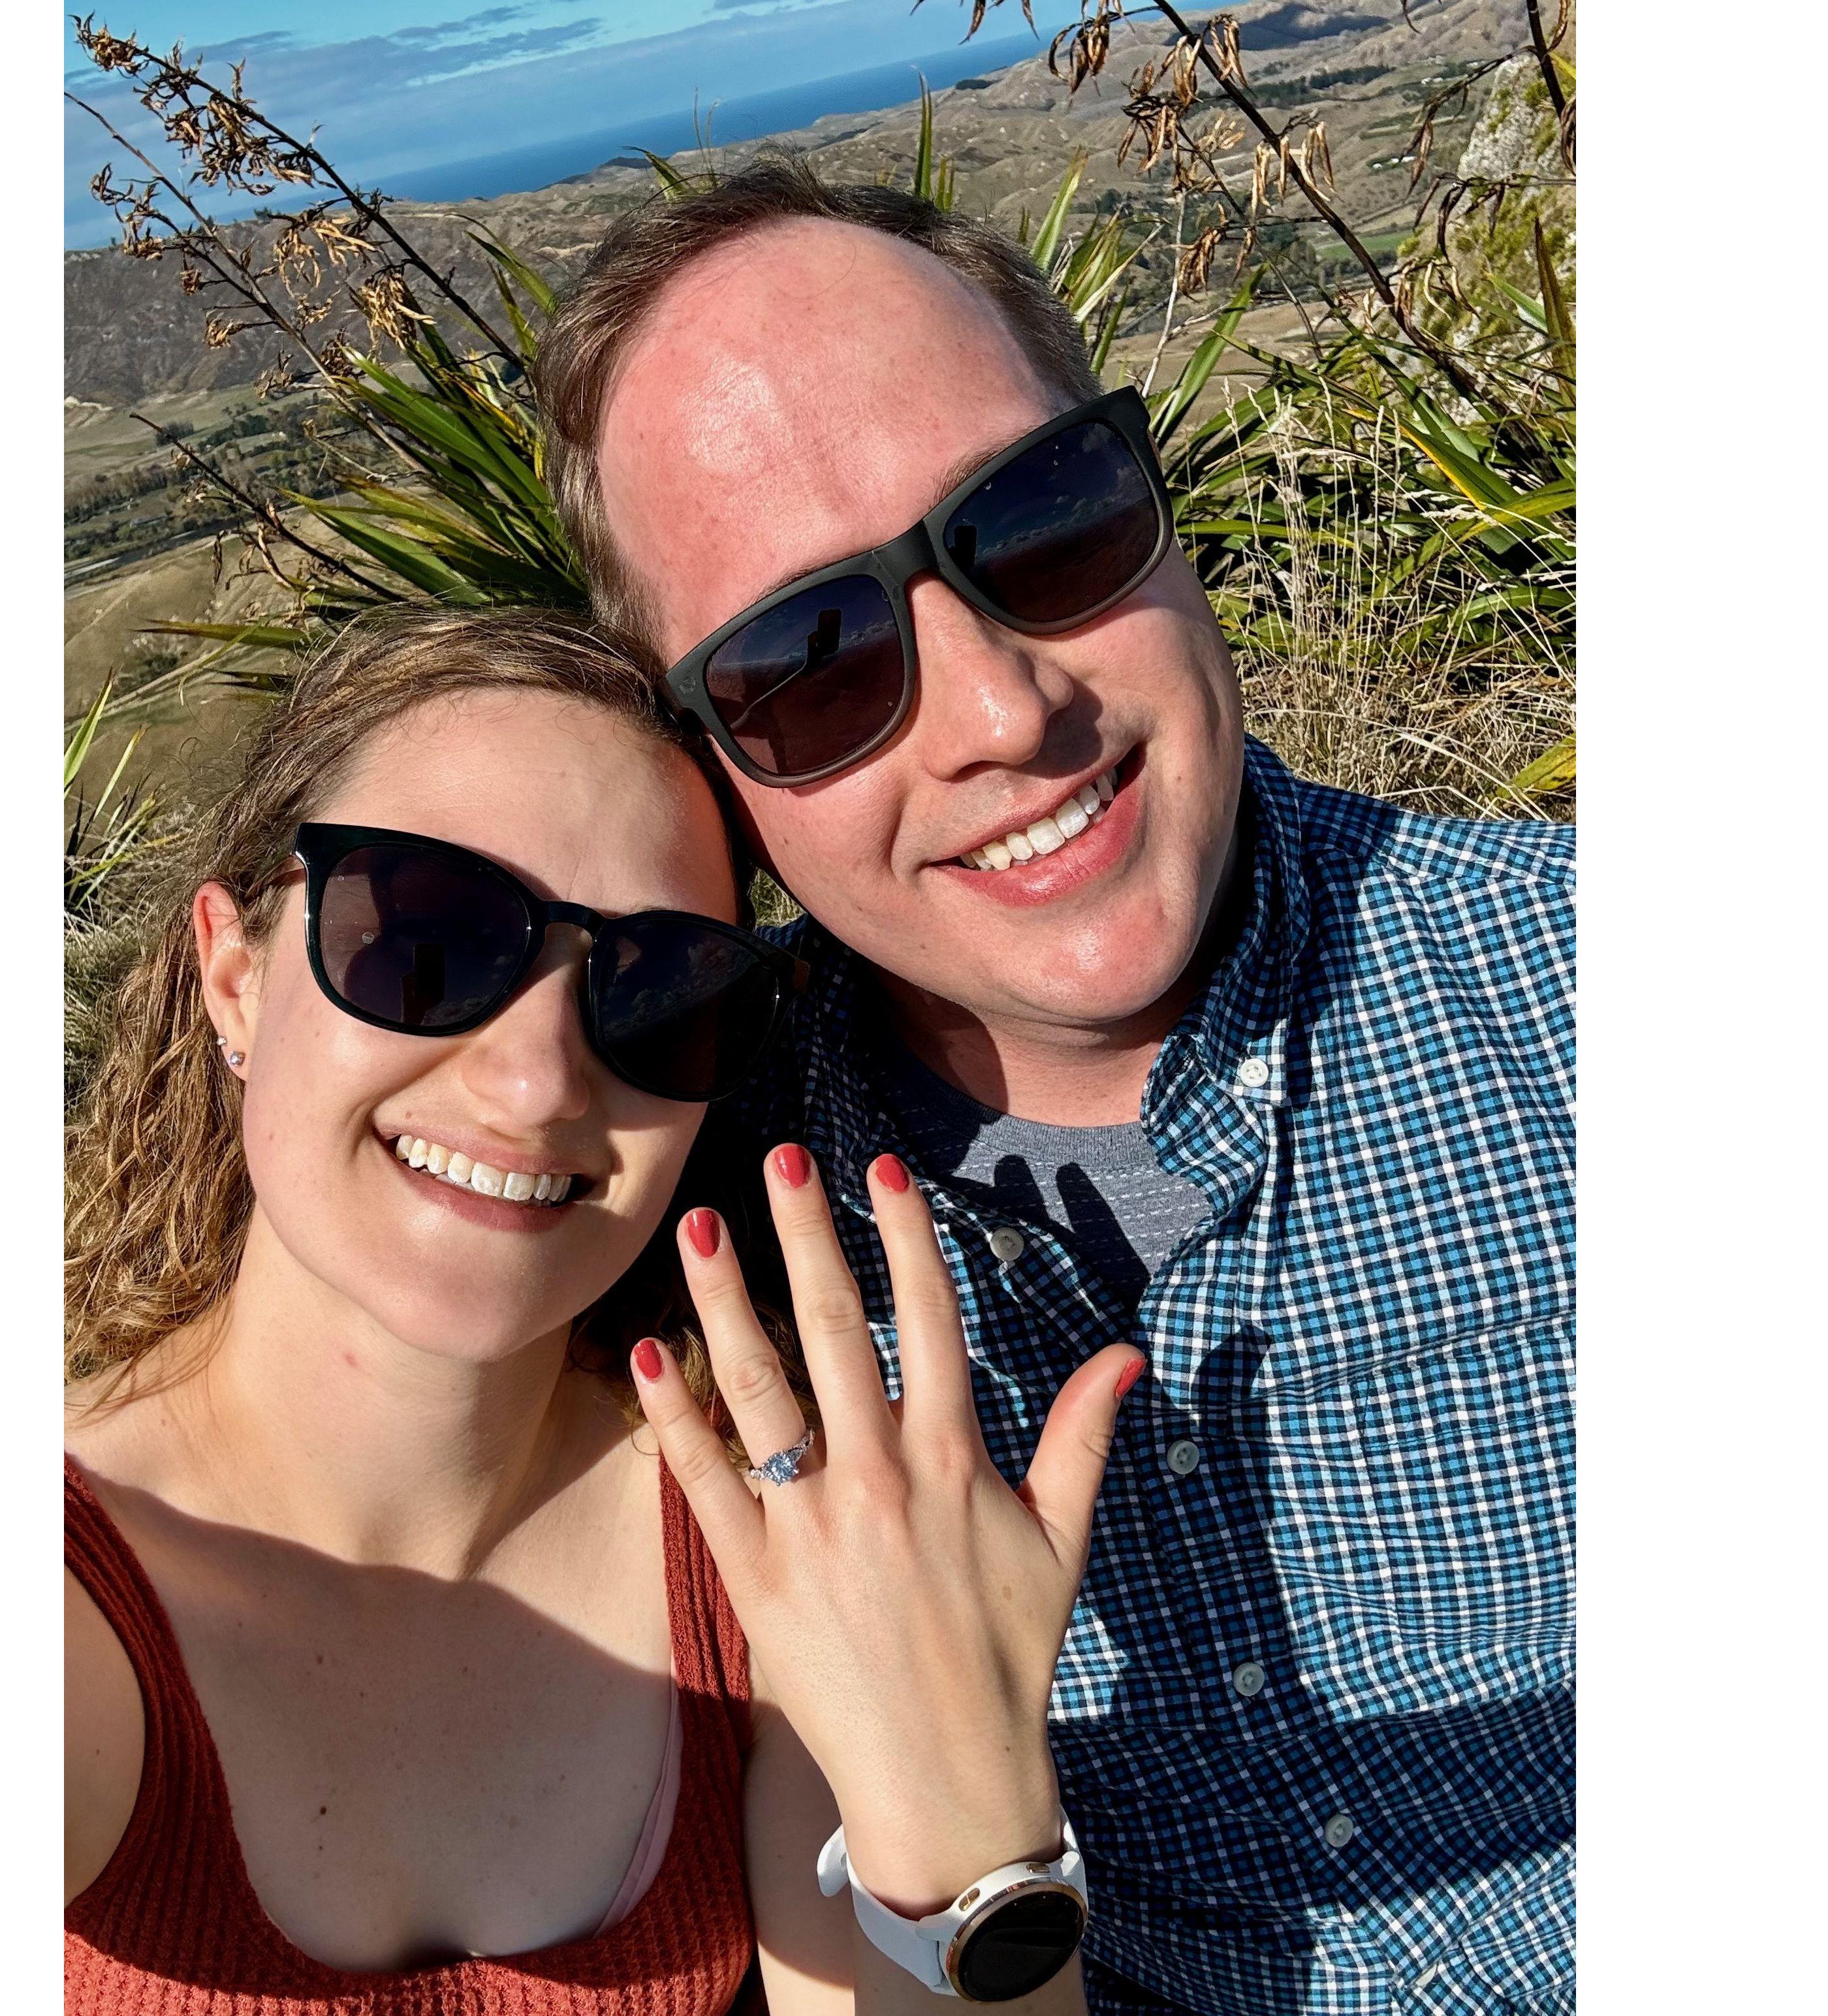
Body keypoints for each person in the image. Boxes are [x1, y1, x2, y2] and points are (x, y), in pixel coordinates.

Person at [530, 159, 1576, 2016]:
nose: (1002, 712)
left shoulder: (1576, 998)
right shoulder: (651, 1206)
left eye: (1048, 520)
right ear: (711, 773)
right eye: (807, 661)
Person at [64, 605, 1144, 2016]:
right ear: (237, 973)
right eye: (427, 940)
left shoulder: (770, 1549)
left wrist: (962, 1817)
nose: (538, 1083)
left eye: (660, 990)